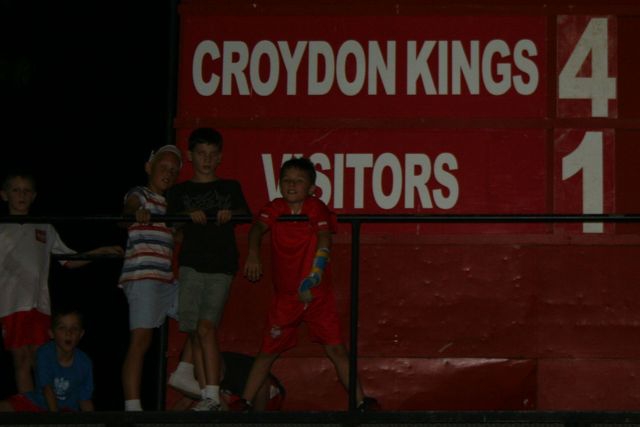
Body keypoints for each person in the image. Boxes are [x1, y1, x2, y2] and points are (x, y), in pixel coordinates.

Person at [235, 157, 379, 412]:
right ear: (279, 184)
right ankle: (243, 403)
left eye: (298, 181)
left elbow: (324, 238)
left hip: (316, 295)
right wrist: (253, 254)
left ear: (311, 188)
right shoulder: (275, 207)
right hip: (285, 298)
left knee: (336, 350)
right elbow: (257, 229)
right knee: (267, 352)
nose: (292, 185)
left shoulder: (316, 207)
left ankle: (361, 402)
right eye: (287, 180)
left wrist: (314, 275)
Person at [0, 172, 123, 394]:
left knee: (41, 358)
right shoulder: (1, 226)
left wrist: (100, 251)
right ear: (4, 194)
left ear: (34, 196)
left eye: (26, 191)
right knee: (21, 359)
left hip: (39, 304)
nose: (21, 195)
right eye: (16, 190)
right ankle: (28, 408)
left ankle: (47, 406)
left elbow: (69, 260)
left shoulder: (44, 227)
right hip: (10, 305)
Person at [166, 128, 250, 411]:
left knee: (206, 326)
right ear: (190, 156)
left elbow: (245, 214)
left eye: (212, 154)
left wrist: (229, 214)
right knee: (193, 330)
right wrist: (186, 216)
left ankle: (212, 394)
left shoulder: (229, 187)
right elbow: (171, 222)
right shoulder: (179, 191)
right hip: (191, 264)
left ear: (220, 157)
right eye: (201, 153)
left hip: (221, 265)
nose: (207, 159)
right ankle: (206, 391)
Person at [119, 144, 182, 411]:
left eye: (173, 170)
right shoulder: (141, 194)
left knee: (199, 316)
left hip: (166, 277)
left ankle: (186, 374)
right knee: (141, 339)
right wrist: (136, 214)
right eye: (163, 167)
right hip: (143, 275)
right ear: (149, 167)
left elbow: (178, 238)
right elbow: (127, 212)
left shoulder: (172, 205)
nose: (168, 173)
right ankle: (133, 407)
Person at [0, 309, 94, 412]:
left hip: (66, 410)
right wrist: (54, 418)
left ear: (81, 334)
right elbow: (47, 389)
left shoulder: (85, 363)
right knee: (4, 407)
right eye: (62, 328)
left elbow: (85, 399)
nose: (68, 333)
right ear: (51, 333)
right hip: (38, 403)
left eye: (74, 328)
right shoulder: (44, 353)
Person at [169, 348, 285, 411]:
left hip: (270, 395)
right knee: (211, 398)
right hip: (241, 404)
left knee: (261, 385)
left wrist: (256, 420)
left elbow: (264, 384)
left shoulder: (234, 368)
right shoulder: (205, 378)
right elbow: (184, 402)